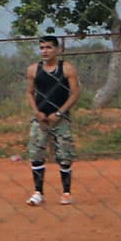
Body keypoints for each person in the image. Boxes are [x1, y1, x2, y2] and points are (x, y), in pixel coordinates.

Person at [27, 35, 80, 206]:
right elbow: (30, 93)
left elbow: (75, 93)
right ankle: (38, 192)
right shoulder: (34, 69)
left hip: (60, 118)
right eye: (42, 48)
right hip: (41, 119)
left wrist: (59, 113)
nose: (45, 51)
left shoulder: (66, 68)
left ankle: (66, 192)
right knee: (36, 154)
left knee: (64, 156)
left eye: (49, 47)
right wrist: (37, 113)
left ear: (57, 50)